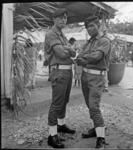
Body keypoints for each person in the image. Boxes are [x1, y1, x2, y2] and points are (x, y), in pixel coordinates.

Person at [76, 16, 111, 149]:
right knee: (90, 106)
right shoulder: (89, 42)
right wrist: (81, 57)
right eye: (88, 27)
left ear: (98, 25)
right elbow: (80, 55)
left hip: (96, 78)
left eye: (92, 25)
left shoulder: (104, 41)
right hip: (85, 77)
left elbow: (97, 57)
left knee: (94, 106)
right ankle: (96, 128)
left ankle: (101, 138)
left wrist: (83, 59)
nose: (90, 29)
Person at [44, 8, 76, 148]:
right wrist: (69, 50)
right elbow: (62, 54)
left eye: (65, 18)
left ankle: (61, 125)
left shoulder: (62, 34)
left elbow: (72, 52)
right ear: (54, 19)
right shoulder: (52, 34)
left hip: (67, 72)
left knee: (64, 101)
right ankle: (52, 135)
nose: (64, 20)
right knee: (56, 103)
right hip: (59, 72)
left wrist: (69, 50)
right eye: (60, 17)